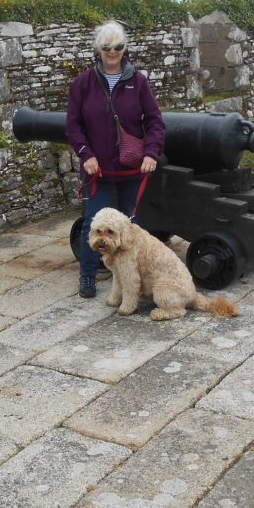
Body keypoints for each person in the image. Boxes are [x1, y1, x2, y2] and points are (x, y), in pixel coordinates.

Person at [65, 20, 166, 299]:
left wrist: (151, 152)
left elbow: (155, 121)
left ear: (125, 48)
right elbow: (73, 125)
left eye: (118, 47)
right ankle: (87, 275)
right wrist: (86, 154)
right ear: (99, 49)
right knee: (92, 225)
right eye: (107, 47)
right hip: (98, 171)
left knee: (129, 229)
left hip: (130, 169)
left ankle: (132, 279)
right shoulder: (84, 83)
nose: (113, 52)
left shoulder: (138, 81)